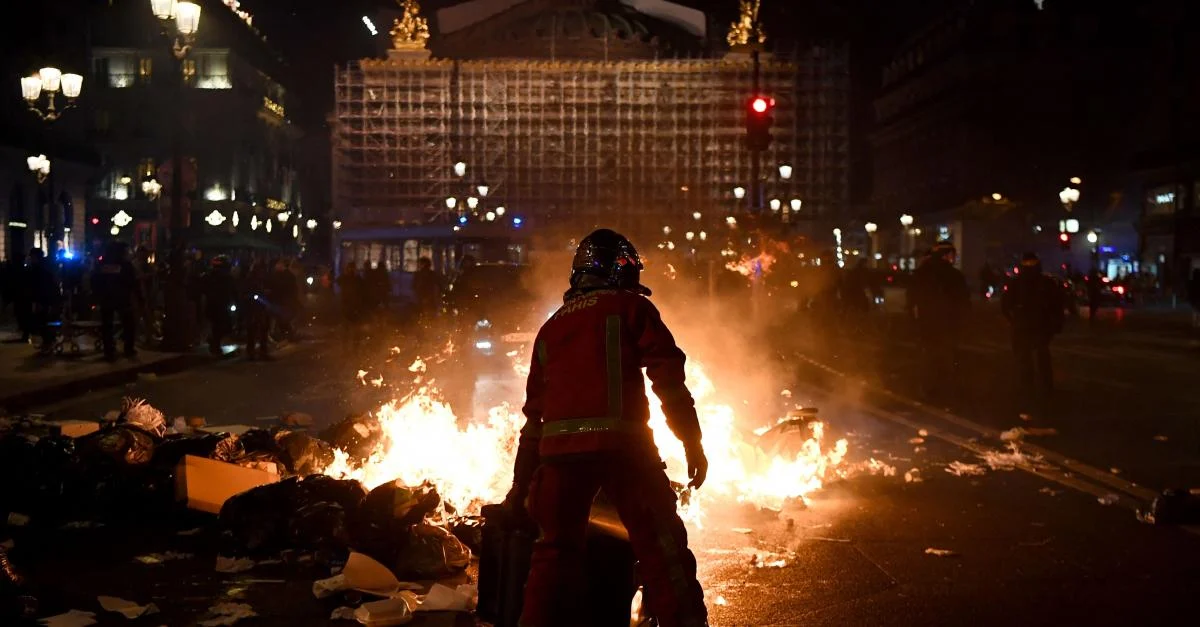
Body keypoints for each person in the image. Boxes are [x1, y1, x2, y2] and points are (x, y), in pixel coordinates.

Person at [507, 229, 709, 627]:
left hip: (559, 459)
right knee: (661, 548)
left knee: (552, 557)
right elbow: (667, 378)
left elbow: (534, 417)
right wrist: (692, 440)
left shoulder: (550, 328)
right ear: (616, 270)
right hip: (624, 450)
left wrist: (520, 484)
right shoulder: (630, 307)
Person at [906, 242, 970, 398]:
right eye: (953, 255)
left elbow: (911, 300)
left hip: (926, 324)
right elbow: (963, 302)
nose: (954, 258)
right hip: (948, 324)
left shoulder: (920, 273)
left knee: (928, 356)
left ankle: (927, 388)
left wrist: (915, 321)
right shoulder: (954, 275)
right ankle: (946, 390)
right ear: (946, 255)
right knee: (948, 357)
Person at [1001, 253, 1065, 402]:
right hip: (1041, 326)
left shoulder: (1016, 283)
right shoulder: (1046, 282)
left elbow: (1005, 306)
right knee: (1042, 357)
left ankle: (1026, 389)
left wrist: (1013, 321)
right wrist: (1056, 325)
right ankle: (1046, 388)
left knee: (1024, 359)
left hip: (1022, 327)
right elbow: (1057, 305)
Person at [91, 242, 142, 361]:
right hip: (122, 299)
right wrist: (139, 297)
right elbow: (133, 282)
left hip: (106, 299)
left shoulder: (102, 264)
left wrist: (97, 295)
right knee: (128, 324)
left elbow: (95, 280)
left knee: (107, 326)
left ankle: (109, 350)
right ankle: (128, 349)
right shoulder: (125, 265)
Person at [203, 256, 237, 356]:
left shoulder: (213, 276)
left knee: (220, 326)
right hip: (219, 305)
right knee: (222, 326)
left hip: (218, 305)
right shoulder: (218, 277)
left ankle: (214, 343)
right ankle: (215, 344)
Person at [243, 260, 272, 359]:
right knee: (252, 330)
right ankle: (251, 351)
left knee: (263, 329)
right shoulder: (250, 279)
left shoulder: (264, 279)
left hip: (261, 308)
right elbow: (246, 293)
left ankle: (262, 351)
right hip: (253, 308)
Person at [411, 257, 442, 322]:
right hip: (425, 299)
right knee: (427, 316)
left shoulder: (428, 275)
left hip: (428, 299)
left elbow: (435, 287)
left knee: (426, 316)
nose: (419, 265)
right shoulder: (421, 274)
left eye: (421, 263)